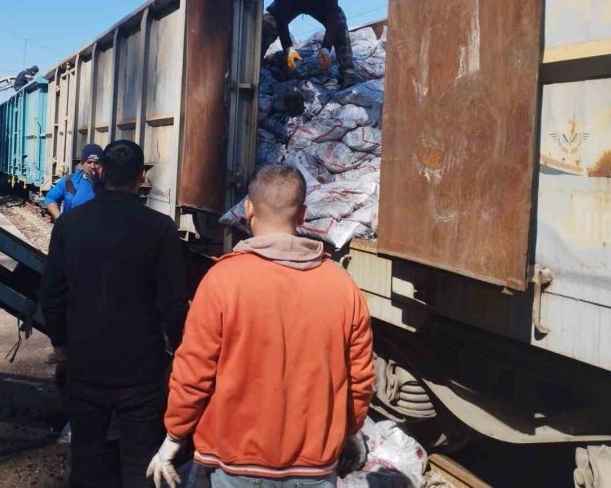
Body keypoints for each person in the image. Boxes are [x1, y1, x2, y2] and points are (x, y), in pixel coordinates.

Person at [146, 164, 375, 488]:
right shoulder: (341, 286)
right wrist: (350, 429)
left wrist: (174, 435)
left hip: (234, 464)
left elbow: (193, 370)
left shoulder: (222, 280)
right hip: (314, 467)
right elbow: (360, 377)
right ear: (303, 215)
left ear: (249, 209)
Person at [40, 139, 189, 488]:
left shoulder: (69, 224)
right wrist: (180, 351)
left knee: (87, 460)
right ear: (141, 177)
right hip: (141, 371)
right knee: (138, 462)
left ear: (101, 173)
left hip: (84, 364)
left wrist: (61, 347)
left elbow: (51, 295)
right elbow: (173, 303)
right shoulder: (160, 228)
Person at [262, 0, 361, 87]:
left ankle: (348, 73)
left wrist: (326, 47)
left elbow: (332, 15)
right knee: (268, 23)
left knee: (339, 20)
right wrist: (288, 47)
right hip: (293, 4)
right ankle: (253, 70)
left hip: (318, 5)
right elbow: (281, 16)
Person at [43, 143, 103, 220]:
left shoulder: (108, 183)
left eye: (96, 163)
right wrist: (59, 219)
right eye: (89, 162)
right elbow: (50, 198)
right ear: (82, 164)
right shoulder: (70, 181)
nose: (93, 166)